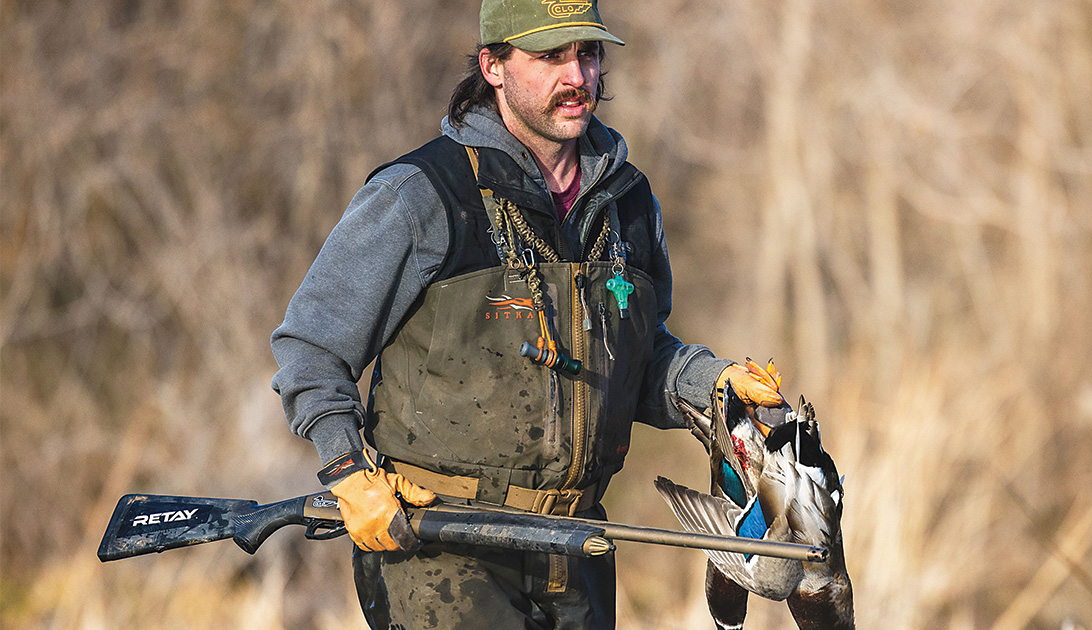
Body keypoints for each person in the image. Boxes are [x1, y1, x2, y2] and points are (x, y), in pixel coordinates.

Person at [271, 1, 783, 627]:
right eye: (550, 57)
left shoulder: (629, 202)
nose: (578, 76)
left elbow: (639, 359)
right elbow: (311, 348)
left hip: (577, 549)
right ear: (492, 65)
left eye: (588, 54)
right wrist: (347, 469)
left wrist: (716, 384)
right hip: (442, 550)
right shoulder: (420, 195)